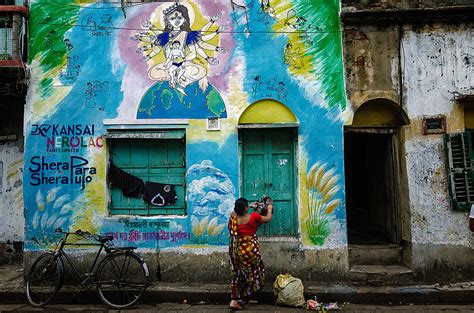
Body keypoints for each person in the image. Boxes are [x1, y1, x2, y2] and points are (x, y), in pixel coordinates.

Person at [228, 197, 273, 311]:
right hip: (250, 252)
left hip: (237, 253)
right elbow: (268, 219)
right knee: (253, 272)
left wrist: (251, 206)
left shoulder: (233, 218)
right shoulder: (254, 217)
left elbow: (234, 213)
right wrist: (269, 209)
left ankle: (235, 300)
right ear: (246, 208)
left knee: (237, 274)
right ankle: (247, 294)